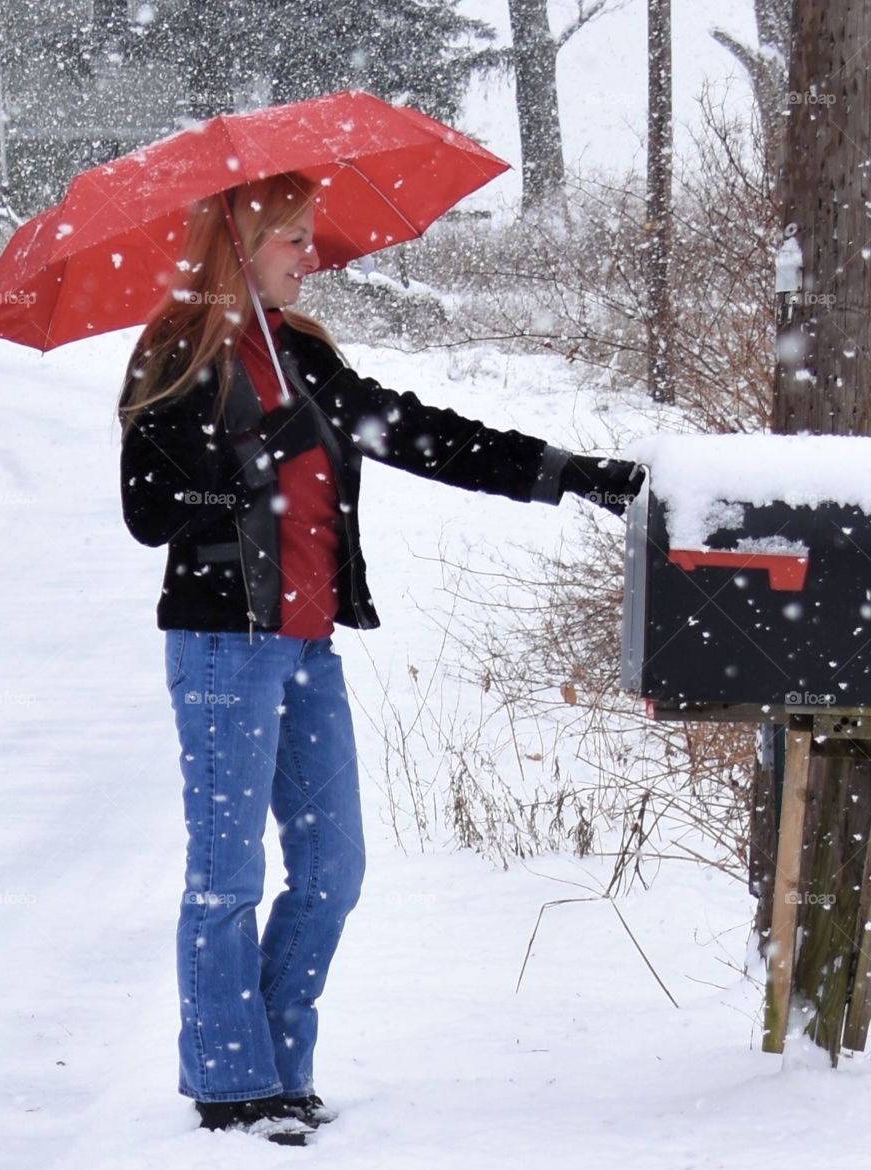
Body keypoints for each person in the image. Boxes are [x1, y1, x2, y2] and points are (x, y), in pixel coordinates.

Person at [117, 171, 643, 1146]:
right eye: (292, 239)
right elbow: (148, 511)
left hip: (309, 650)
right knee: (227, 875)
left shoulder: (304, 355)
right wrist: (240, 468)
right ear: (241, 242)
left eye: (310, 237)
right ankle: (233, 1089)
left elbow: (422, 435)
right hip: (223, 646)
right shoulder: (178, 356)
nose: (308, 256)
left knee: (332, 871)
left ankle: (275, 1060)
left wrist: (564, 475)